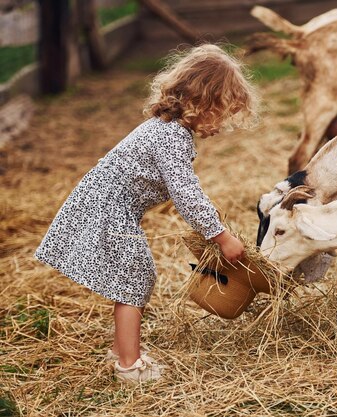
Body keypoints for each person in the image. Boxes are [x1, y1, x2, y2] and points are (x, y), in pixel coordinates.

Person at [34, 43, 257, 383]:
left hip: (111, 206)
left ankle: (122, 350)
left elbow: (186, 190)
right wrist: (220, 235)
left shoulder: (168, 130)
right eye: (223, 112)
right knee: (134, 279)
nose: (223, 123)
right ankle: (128, 365)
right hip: (108, 209)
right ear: (202, 101)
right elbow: (186, 195)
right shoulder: (170, 137)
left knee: (135, 277)